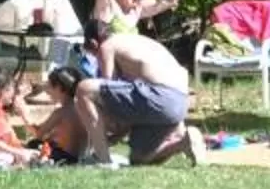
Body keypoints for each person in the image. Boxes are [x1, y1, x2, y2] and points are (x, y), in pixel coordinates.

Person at [64, 19, 206, 165]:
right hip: (180, 103)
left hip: (160, 96)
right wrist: (117, 135)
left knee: (84, 89)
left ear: (94, 43)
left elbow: (106, 93)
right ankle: (183, 142)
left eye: (94, 55)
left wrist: (101, 131)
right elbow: (129, 101)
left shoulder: (106, 46)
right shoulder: (134, 42)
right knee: (138, 157)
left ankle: (102, 159)